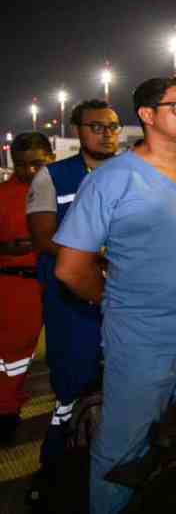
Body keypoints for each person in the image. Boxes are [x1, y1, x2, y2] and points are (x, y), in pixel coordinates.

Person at [53, 76, 176, 512]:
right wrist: (119, 304)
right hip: (142, 343)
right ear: (148, 116)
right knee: (122, 450)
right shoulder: (112, 181)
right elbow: (71, 268)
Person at [27, 99, 120, 470]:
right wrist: (94, 256)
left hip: (126, 296)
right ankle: (59, 468)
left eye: (112, 126)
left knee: (125, 384)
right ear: (77, 131)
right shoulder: (52, 177)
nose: (106, 134)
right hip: (72, 300)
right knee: (73, 385)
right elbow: (43, 238)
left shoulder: (135, 171)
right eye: (96, 126)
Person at [0, 132, 53, 443]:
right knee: (12, 353)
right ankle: (6, 409)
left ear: (51, 159)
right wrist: (8, 247)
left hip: (62, 283)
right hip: (17, 284)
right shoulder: (3, 195)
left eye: (37, 164)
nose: (30, 172)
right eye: (21, 166)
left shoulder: (69, 191)